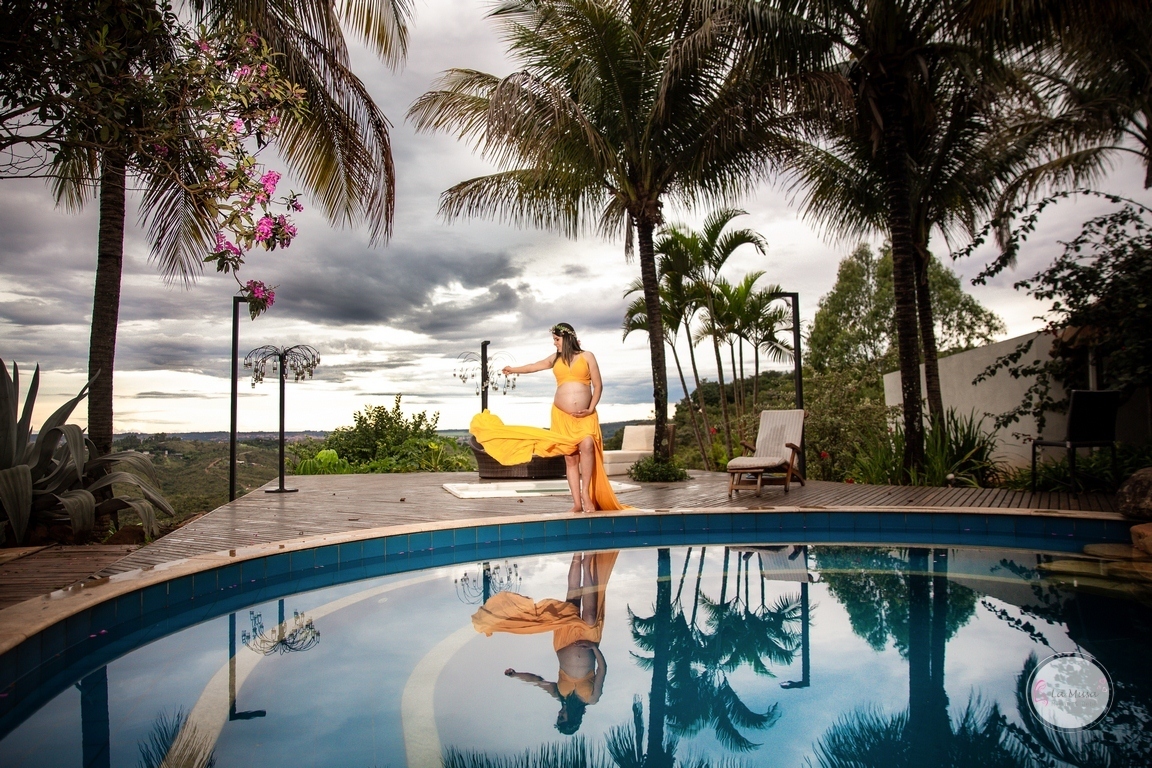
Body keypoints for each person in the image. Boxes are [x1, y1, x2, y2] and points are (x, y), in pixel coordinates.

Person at [469, 322, 623, 512]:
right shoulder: (555, 359)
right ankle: (576, 503)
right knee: (571, 458)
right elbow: (534, 366)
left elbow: (598, 386)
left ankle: (586, 494)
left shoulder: (587, 356)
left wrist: (591, 409)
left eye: (557, 340)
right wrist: (513, 369)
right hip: (562, 417)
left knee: (588, 444)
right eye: (554, 340)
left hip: (585, 416)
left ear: (567, 338)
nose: (555, 343)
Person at [471, 551, 618, 734]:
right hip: (589, 641)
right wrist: (594, 648)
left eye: (559, 716)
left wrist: (516, 674)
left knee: (572, 599)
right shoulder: (592, 698)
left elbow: (538, 681)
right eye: (561, 717)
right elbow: (602, 670)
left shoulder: (560, 694)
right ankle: (588, 561)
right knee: (588, 617)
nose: (559, 713)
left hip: (564, 642)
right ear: (572, 718)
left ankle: (576, 555)